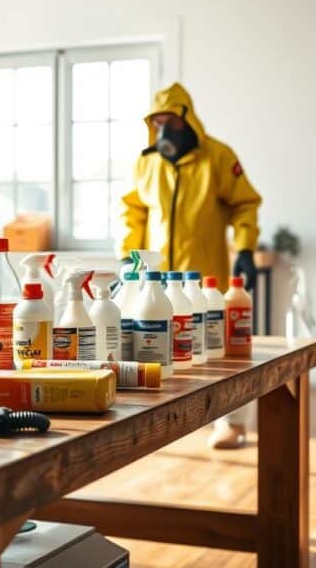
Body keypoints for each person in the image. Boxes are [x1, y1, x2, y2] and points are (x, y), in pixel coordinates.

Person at [116, 82, 261, 448]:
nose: (164, 129)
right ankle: (166, 419)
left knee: (220, 351)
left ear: (187, 120)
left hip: (206, 275)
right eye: (157, 121)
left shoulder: (217, 156)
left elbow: (245, 203)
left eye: (171, 121)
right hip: (155, 279)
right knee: (161, 347)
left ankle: (233, 422)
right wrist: (126, 256)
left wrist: (245, 248)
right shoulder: (147, 163)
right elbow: (133, 213)